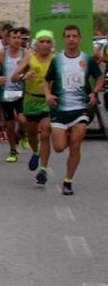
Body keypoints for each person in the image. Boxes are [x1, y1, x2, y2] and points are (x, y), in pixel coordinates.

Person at [44, 25, 104, 195]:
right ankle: (67, 133)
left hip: (80, 109)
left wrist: (94, 92)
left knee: (76, 145)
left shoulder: (87, 59)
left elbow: (99, 78)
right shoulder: (57, 60)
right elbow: (46, 81)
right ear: (64, 39)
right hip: (60, 109)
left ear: (80, 39)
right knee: (59, 147)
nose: (71, 39)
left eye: (74, 36)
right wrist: (48, 94)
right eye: (68, 36)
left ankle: (68, 181)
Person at [12, 30, 54, 184]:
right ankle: (36, 152)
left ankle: (43, 169)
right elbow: (14, 77)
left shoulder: (55, 61)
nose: (44, 45)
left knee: (44, 134)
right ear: (36, 44)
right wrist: (24, 76)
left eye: (48, 41)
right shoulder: (29, 58)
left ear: (52, 44)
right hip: (30, 101)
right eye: (41, 41)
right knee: (32, 136)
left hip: (48, 102)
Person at [0, 28, 27, 163]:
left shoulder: (26, 53)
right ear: (8, 39)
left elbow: (32, 68)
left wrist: (27, 75)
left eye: (19, 37)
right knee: (10, 124)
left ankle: (22, 134)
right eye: (14, 37)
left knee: (23, 119)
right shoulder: (2, 54)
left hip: (21, 92)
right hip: (6, 93)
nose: (17, 40)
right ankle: (12, 149)